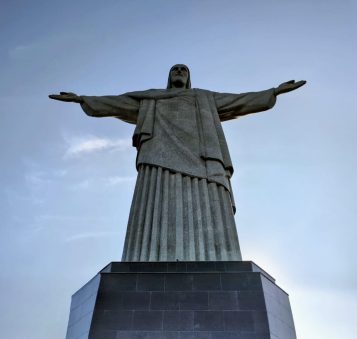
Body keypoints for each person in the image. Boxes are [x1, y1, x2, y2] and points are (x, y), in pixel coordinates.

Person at [49, 66, 305, 262]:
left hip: (203, 159)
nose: (179, 72)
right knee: (156, 204)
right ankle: (150, 256)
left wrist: (273, 92)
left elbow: (239, 101)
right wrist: (82, 99)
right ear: (169, 77)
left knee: (208, 204)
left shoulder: (204, 98)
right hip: (157, 159)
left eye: (184, 69)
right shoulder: (151, 99)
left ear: (189, 77)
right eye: (175, 69)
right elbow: (115, 103)